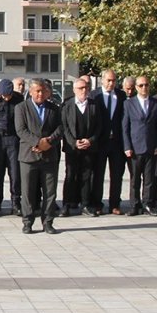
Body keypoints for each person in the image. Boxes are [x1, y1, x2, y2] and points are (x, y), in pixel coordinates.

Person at [16, 78, 63, 235]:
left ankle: (48, 222)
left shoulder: (54, 108)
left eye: (43, 91)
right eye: (37, 91)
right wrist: (37, 143)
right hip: (29, 156)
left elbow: (60, 128)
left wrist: (48, 142)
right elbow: (21, 130)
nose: (40, 94)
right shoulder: (21, 108)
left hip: (49, 156)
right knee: (28, 191)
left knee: (50, 192)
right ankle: (27, 222)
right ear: (30, 91)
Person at [122, 75, 157, 216]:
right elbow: (125, 127)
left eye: (146, 85)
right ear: (136, 87)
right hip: (134, 148)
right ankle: (134, 205)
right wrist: (127, 146)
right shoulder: (129, 104)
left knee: (149, 179)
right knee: (135, 180)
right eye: (141, 85)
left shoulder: (156, 103)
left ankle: (148, 204)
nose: (144, 88)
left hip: (151, 147)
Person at [61, 76, 102, 217]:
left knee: (86, 176)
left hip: (89, 147)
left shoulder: (94, 105)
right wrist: (73, 142)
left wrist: (90, 140)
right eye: (80, 88)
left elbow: (99, 127)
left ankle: (85, 204)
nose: (83, 91)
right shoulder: (67, 105)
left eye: (86, 88)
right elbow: (64, 127)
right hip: (72, 148)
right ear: (74, 90)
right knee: (70, 175)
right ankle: (66, 204)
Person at [92, 70, 127, 215]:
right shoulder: (95, 96)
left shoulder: (121, 95)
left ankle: (114, 204)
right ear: (102, 80)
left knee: (117, 175)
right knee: (98, 174)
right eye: (108, 80)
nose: (111, 83)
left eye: (113, 81)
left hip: (117, 142)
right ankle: (97, 204)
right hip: (100, 141)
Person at [0, 79, 24, 217]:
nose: (6, 98)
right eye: (4, 95)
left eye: (8, 95)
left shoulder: (19, 99)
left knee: (15, 174)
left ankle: (16, 203)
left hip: (13, 139)